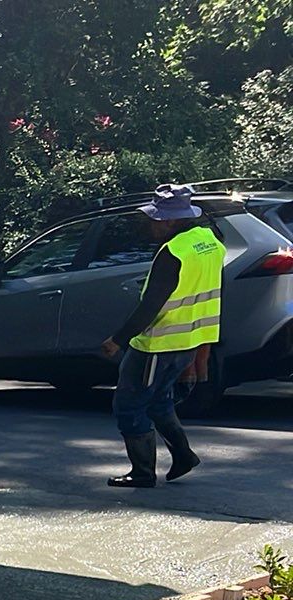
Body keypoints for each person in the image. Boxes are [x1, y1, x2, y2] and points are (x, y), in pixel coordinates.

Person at [99, 184, 222, 488]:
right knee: (158, 403)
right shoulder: (209, 241)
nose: (150, 225)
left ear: (170, 220)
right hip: (189, 342)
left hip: (157, 344)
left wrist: (118, 339)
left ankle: (142, 472)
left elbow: (151, 306)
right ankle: (183, 456)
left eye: (155, 219)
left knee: (129, 405)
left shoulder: (173, 253)